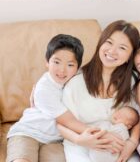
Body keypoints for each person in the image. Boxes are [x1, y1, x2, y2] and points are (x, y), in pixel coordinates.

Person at [58, 21, 140, 161]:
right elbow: (61, 123)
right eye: (109, 42)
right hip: (84, 143)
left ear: (130, 56)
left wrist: (133, 142)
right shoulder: (76, 82)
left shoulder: (133, 81)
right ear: (101, 43)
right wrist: (81, 139)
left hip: (119, 144)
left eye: (122, 48)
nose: (112, 51)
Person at [6, 33, 86, 162]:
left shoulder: (76, 81)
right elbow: (69, 121)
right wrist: (101, 134)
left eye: (70, 65)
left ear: (77, 68)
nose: (62, 70)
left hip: (55, 140)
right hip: (28, 132)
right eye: (57, 62)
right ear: (47, 62)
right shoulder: (44, 88)